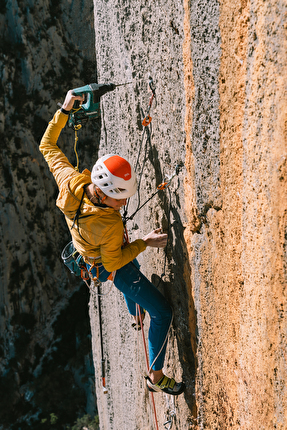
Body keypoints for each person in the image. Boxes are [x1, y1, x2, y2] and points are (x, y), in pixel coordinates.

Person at [39, 89, 185, 396]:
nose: (123, 203)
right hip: (107, 265)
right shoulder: (107, 223)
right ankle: (156, 378)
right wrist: (145, 241)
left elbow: (47, 146)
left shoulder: (71, 182)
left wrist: (64, 110)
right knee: (162, 313)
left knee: (130, 274)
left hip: (90, 254)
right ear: (104, 194)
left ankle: (135, 313)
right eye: (120, 199)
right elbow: (115, 261)